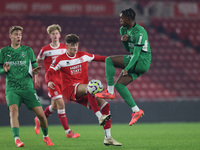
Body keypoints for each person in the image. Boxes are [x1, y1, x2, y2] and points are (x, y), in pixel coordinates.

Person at [46, 34, 122, 146]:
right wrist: (49, 81)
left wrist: (118, 62)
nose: (75, 48)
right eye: (72, 45)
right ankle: (100, 117)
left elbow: (101, 58)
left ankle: (108, 137)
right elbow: (49, 73)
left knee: (105, 105)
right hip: (69, 89)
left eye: (76, 45)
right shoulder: (60, 59)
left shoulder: (83, 55)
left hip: (83, 90)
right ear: (67, 45)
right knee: (92, 86)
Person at [96, 8, 152, 126]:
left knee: (109, 60)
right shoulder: (123, 30)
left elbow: (136, 54)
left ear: (129, 18)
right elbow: (128, 49)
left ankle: (110, 91)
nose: (120, 19)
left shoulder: (140, 32)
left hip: (142, 61)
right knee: (120, 85)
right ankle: (136, 111)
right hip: (137, 62)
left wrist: (127, 68)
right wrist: (124, 41)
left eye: (122, 17)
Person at [0, 26, 54, 147]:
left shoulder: (28, 50)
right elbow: (0, 70)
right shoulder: (3, 52)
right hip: (12, 88)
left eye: (20, 34)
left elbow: (35, 66)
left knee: (41, 115)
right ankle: (17, 139)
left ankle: (46, 136)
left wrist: (36, 74)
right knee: (13, 111)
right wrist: (3, 70)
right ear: (10, 36)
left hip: (27, 88)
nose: (18, 36)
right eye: (16, 34)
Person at [34, 24, 80, 138]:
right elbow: (37, 62)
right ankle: (68, 132)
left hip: (62, 80)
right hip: (52, 80)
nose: (55, 35)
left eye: (56, 33)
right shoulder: (45, 50)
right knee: (61, 103)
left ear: (60, 35)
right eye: (52, 33)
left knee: (54, 106)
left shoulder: (65, 48)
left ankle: (38, 119)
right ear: (50, 35)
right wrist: (36, 76)